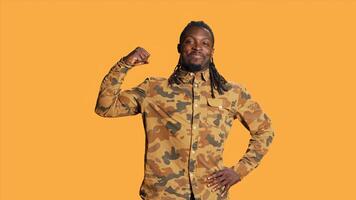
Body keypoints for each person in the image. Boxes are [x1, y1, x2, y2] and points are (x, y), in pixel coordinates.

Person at [94, 21, 275, 200]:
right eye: (190, 41)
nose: (197, 47)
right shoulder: (154, 89)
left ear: (212, 52)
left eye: (205, 43)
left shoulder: (231, 92)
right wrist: (124, 64)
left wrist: (239, 171)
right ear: (179, 48)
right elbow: (106, 107)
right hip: (163, 195)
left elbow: (265, 130)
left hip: (210, 194)